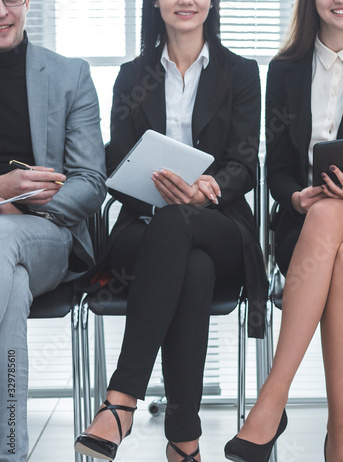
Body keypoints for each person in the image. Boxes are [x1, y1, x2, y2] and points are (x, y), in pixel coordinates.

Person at [73, 0, 264, 460]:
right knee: (190, 267)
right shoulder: (131, 75)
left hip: (219, 227)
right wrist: (158, 194)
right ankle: (184, 440)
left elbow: (245, 164)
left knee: (188, 235)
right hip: (143, 228)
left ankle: (120, 403)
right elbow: (117, 161)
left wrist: (208, 187)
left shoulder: (239, 72)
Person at [225, 0, 343, 460]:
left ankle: (273, 398)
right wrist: (294, 197)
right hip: (304, 227)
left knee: (334, 218)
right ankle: (342, 432)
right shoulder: (285, 69)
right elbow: (279, 168)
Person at [0, 0, 106, 459]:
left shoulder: (68, 74)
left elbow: (90, 181)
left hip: (46, 233)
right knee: (11, 282)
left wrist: (23, 208)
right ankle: (10, 448)